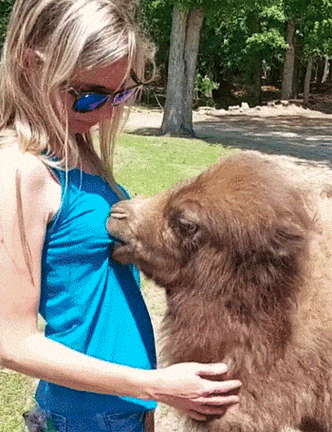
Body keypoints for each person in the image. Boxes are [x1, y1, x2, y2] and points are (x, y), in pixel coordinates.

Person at [0, 1, 241, 431]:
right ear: (29, 65)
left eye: (121, 94)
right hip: (87, 417)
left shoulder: (75, 149)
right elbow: (11, 342)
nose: (107, 113)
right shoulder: (19, 169)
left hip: (124, 409)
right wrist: (152, 385)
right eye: (90, 95)